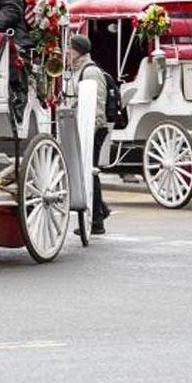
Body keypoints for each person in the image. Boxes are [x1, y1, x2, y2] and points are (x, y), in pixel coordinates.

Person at [69, 34, 111, 235]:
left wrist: (89, 130)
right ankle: (101, 210)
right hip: (87, 126)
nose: (67, 53)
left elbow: (96, 104)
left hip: (93, 127)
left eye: (70, 49)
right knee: (88, 170)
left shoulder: (90, 72)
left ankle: (97, 220)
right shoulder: (80, 70)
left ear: (78, 51)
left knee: (89, 171)